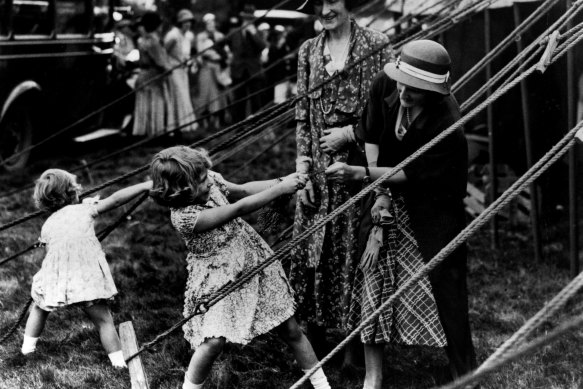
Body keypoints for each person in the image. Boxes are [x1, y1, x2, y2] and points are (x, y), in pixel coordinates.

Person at [325, 40, 477, 386]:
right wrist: (378, 190)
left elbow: (415, 174)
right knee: (372, 268)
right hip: (384, 181)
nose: (405, 92)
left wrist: (363, 175)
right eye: (402, 82)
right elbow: (372, 132)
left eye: (417, 89)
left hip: (434, 200)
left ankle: (464, 372)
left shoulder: (447, 121)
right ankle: (367, 368)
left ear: (434, 92)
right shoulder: (385, 82)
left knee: (445, 280)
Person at [149, 146, 331, 389]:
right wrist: (279, 190)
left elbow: (243, 190)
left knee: (290, 328)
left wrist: (281, 181)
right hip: (217, 274)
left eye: (206, 177)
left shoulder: (208, 180)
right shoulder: (184, 218)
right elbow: (239, 208)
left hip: (251, 259)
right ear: (183, 189)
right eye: (202, 181)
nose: (209, 184)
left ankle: (323, 385)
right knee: (213, 341)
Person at [289, 0, 391, 360]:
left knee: (353, 249)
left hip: (360, 167)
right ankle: (315, 333)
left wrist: (349, 134)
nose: (324, 9)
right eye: (318, 3)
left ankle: (353, 344)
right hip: (318, 169)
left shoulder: (375, 44)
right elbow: (302, 114)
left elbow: (386, 107)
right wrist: (304, 170)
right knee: (315, 249)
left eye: (331, 0)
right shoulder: (308, 51)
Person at [21, 169, 151, 368]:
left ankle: (27, 350)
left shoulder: (47, 225)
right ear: (73, 192)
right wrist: (144, 185)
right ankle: (118, 364)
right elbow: (116, 199)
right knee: (103, 320)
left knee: (38, 307)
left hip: (57, 276)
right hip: (85, 275)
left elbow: (51, 249)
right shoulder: (85, 209)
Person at [132, 11, 172, 136]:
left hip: (143, 75)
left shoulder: (141, 39)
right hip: (153, 76)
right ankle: (155, 131)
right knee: (155, 104)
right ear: (155, 25)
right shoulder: (154, 40)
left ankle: (143, 131)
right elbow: (160, 61)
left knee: (144, 104)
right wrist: (169, 69)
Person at [227, 4, 268, 123]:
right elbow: (228, 45)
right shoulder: (234, 32)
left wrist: (254, 33)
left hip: (253, 70)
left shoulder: (258, 32)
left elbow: (262, 46)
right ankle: (238, 126)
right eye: (246, 18)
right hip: (238, 70)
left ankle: (256, 126)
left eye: (250, 19)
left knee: (256, 100)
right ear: (242, 19)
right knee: (239, 99)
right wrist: (231, 57)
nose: (248, 21)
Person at [193, 13, 231, 129]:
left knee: (218, 95)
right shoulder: (201, 37)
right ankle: (204, 120)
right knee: (205, 94)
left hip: (219, 69)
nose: (210, 24)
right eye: (208, 22)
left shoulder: (220, 36)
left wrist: (223, 59)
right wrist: (214, 55)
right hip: (207, 68)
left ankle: (217, 120)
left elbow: (226, 51)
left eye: (212, 22)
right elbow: (202, 51)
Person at [164, 9, 197, 132]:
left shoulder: (187, 36)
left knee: (184, 97)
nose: (187, 24)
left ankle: (182, 127)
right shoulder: (173, 35)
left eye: (189, 22)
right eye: (185, 22)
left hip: (183, 71)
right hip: (174, 71)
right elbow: (164, 53)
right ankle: (174, 128)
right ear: (179, 23)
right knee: (178, 97)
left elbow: (186, 54)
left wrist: (189, 62)